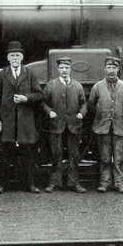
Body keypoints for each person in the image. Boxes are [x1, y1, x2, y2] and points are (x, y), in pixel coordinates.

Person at [0, 41, 43, 193]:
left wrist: (26, 98)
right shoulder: (2, 75)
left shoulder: (29, 73)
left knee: (28, 154)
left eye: (17, 55)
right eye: (12, 55)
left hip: (25, 121)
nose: (15, 58)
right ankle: (1, 184)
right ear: (8, 58)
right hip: (8, 121)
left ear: (22, 57)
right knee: (5, 154)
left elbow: (40, 95)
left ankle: (31, 184)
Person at [88, 56, 123, 194]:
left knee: (119, 157)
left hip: (119, 127)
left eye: (114, 68)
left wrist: (120, 116)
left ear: (118, 69)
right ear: (104, 69)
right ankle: (104, 183)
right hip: (103, 127)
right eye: (109, 67)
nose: (111, 71)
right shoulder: (97, 87)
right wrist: (103, 116)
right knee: (105, 157)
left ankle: (120, 184)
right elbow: (91, 105)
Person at [41, 57, 88, 193]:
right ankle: (54, 182)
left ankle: (74, 183)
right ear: (58, 69)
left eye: (66, 67)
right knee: (56, 154)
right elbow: (43, 102)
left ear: (70, 69)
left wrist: (81, 113)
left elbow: (84, 103)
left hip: (73, 125)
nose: (64, 70)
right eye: (61, 68)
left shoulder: (77, 86)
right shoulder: (51, 85)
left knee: (74, 155)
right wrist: (49, 112)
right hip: (56, 125)